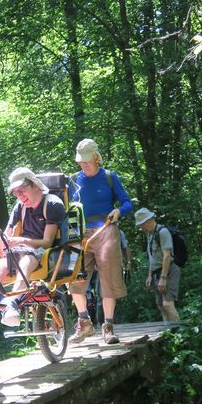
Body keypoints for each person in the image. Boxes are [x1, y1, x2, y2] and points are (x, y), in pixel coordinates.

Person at [0, 167, 66, 326]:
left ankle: (12, 304)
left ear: (35, 185)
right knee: (1, 264)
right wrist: (0, 238)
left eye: (22, 190)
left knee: (25, 262)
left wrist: (19, 241)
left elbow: (47, 242)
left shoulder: (52, 204)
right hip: (21, 249)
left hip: (44, 252)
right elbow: (7, 232)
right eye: (15, 192)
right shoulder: (20, 206)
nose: (19, 195)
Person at [68, 139, 133, 345]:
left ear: (96, 157)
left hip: (106, 231)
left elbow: (127, 203)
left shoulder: (109, 177)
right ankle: (84, 322)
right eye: (81, 161)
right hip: (80, 235)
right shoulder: (73, 181)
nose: (83, 164)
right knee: (75, 279)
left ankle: (108, 326)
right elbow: (65, 210)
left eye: (87, 160)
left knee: (109, 281)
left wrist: (118, 211)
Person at [135, 207, 181, 322]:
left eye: (142, 224)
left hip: (168, 271)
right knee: (161, 305)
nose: (141, 228)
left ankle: (180, 335)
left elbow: (167, 256)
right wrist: (150, 275)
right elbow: (152, 256)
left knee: (168, 305)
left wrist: (163, 278)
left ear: (149, 220)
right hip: (156, 272)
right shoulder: (150, 234)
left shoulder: (163, 232)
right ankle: (168, 333)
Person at [86, 229, 131, 327]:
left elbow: (125, 247)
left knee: (113, 294)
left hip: (113, 267)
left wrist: (128, 262)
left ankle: (113, 322)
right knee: (100, 296)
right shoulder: (91, 230)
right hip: (98, 269)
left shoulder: (119, 232)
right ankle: (99, 323)